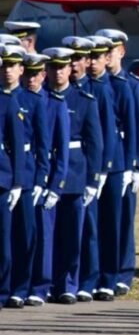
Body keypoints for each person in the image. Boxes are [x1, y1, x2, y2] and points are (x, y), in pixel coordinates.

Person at [41, 47, 102, 305]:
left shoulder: (84, 100)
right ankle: (46, 282)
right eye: (53, 68)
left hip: (76, 172)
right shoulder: (41, 98)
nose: (58, 73)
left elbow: (95, 142)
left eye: (62, 67)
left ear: (69, 70)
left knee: (73, 233)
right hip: (46, 170)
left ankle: (69, 282)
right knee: (47, 234)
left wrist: (92, 179)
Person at [96, 29, 139, 298]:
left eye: (111, 50)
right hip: (103, 162)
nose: (107, 55)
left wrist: (138, 164)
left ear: (122, 52)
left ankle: (123, 272)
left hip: (124, 161)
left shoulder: (132, 84)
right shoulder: (98, 84)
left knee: (123, 219)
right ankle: (103, 271)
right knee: (102, 220)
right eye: (103, 51)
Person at [0, 44, 50, 309]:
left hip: (26, 176)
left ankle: (23, 286)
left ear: (21, 69)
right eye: (4, 65)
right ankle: (6, 287)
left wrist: (41, 179)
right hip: (5, 175)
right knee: (5, 236)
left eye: (12, 66)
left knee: (26, 234)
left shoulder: (33, 100)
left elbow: (41, 144)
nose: (8, 71)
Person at [23, 52, 70, 307]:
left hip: (44, 178)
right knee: (20, 236)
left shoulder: (54, 103)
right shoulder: (17, 99)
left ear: (44, 75)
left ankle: (40, 286)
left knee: (43, 236)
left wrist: (55, 185)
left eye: (36, 73)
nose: (31, 78)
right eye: (27, 73)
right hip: (21, 177)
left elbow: (60, 150)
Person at [73, 35, 117, 302]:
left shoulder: (99, 90)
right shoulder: (77, 89)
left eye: (85, 58)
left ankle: (99, 278)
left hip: (94, 166)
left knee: (98, 227)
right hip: (77, 168)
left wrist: (101, 170)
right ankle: (79, 279)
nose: (81, 64)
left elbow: (104, 134)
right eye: (76, 59)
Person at [0, 53, 25, 311]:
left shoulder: (7, 103)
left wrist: (17, 182)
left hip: (2, 179)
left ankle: (3, 290)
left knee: (3, 240)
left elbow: (17, 145)